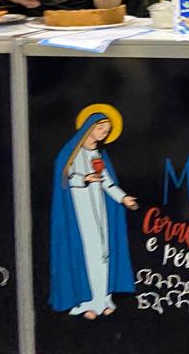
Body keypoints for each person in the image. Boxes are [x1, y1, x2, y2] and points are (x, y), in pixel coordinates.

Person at [49, 107, 138, 319]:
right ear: (89, 128)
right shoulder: (72, 153)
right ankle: (86, 303)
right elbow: (65, 178)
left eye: (106, 131)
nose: (103, 133)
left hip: (100, 209)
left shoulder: (98, 154)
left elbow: (107, 182)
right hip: (79, 212)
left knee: (103, 253)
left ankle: (103, 300)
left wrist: (123, 198)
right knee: (87, 253)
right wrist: (84, 179)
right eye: (100, 128)